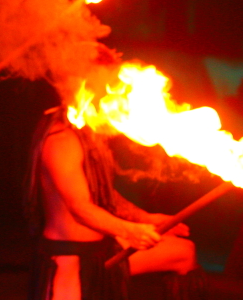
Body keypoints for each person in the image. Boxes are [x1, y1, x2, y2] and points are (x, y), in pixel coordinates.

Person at [27, 106, 205, 300]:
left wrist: (146, 218)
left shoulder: (88, 135)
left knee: (184, 253)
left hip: (105, 247)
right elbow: (80, 208)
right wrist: (131, 231)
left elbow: (104, 192)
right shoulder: (61, 141)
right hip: (72, 256)